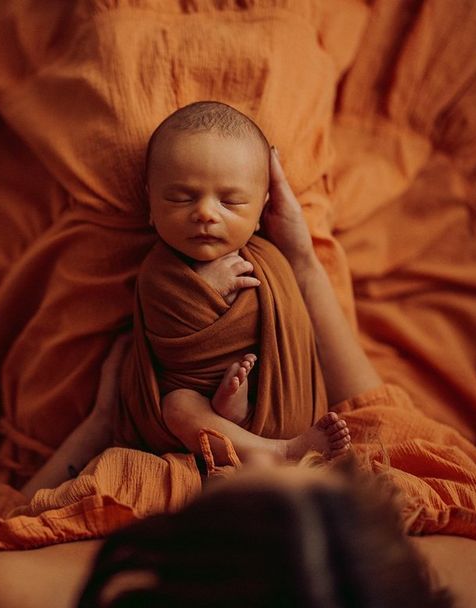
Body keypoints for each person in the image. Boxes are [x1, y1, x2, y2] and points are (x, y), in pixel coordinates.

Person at [0, 139, 476, 608]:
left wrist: (100, 425)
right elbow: (383, 421)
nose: (256, 462)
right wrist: (302, 261)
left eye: (267, 480)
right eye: (314, 481)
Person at [119, 101, 364, 464]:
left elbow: (297, 342)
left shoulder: (273, 262)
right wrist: (204, 292)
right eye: (180, 198)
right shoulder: (157, 270)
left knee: (237, 386)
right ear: (151, 205)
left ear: (261, 210)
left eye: (231, 202)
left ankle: (236, 405)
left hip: (274, 401)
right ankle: (279, 450)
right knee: (178, 406)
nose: (205, 213)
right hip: (191, 419)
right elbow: (168, 341)